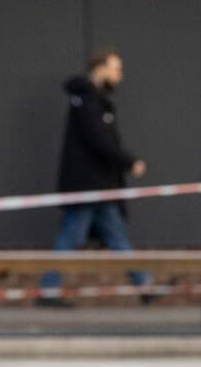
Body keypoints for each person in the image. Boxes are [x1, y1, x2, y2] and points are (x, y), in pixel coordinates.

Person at [37, 48, 149, 308]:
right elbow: (99, 140)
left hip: (100, 185)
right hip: (88, 185)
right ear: (101, 69)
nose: (119, 75)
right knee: (72, 237)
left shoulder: (93, 100)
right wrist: (129, 162)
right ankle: (49, 290)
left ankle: (146, 284)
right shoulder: (88, 101)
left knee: (117, 237)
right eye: (116, 69)